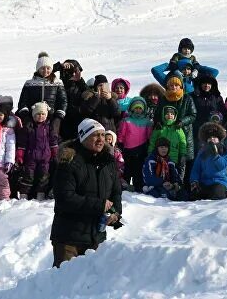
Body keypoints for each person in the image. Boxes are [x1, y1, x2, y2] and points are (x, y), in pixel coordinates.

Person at [51, 118, 122, 268]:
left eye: (103, 135)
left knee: (90, 288)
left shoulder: (108, 162)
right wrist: (100, 205)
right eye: (95, 135)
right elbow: (65, 198)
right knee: (63, 285)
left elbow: (116, 193)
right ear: (83, 137)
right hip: (69, 239)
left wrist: (115, 214)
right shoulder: (69, 162)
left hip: (97, 238)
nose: (101, 139)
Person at [18, 52, 68, 135]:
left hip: (51, 118)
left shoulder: (57, 83)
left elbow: (63, 101)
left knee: (51, 139)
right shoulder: (29, 83)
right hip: (33, 117)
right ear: (38, 69)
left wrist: (58, 117)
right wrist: (26, 116)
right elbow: (23, 101)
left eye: (48, 68)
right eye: (42, 68)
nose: (45, 71)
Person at [17, 101, 58, 200]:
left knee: (43, 177)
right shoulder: (29, 126)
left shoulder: (49, 127)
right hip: (30, 157)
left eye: (43, 114)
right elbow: (23, 143)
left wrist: (55, 152)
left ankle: (41, 194)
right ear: (33, 115)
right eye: (38, 114)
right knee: (28, 176)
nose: (40, 116)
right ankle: (24, 195)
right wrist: (20, 155)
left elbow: (53, 141)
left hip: (45, 157)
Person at [154, 75, 197, 160]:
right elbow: (157, 114)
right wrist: (158, 122)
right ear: (167, 86)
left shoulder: (187, 98)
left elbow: (193, 115)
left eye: (176, 85)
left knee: (183, 161)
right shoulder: (163, 99)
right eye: (171, 85)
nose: (174, 87)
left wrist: (182, 122)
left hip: (184, 132)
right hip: (166, 134)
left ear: (180, 86)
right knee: (167, 161)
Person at [116, 96, 152, 192]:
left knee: (139, 169)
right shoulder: (126, 120)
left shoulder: (147, 121)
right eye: (136, 108)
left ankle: (138, 187)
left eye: (140, 108)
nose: (138, 110)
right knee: (127, 168)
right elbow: (121, 134)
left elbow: (149, 135)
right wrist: (120, 143)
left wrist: (149, 144)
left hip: (141, 149)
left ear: (143, 109)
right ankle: (125, 186)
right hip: (128, 149)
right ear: (132, 108)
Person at [189, 122, 227, 200]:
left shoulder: (224, 151)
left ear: (219, 139)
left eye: (214, 137)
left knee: (215, 197)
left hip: (219, 182)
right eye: (209, 137)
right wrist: (194, 181)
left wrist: (216, 155)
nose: (212, 139)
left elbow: (222, 165)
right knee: (194, 198)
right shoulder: (202, 152)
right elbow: (196, 169)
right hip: (204, 182)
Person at [150, 105, 189, 172]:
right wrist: (150, 153)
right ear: (163, 115)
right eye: (167, 114)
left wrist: (183, 154)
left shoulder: (178, 129)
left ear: (175, 116)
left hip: (173, 159)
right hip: (160, 158)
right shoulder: (159, 128)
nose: (169, 115)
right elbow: (153, 141)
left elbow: (183, 142)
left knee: (172, 175)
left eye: (172, 114)